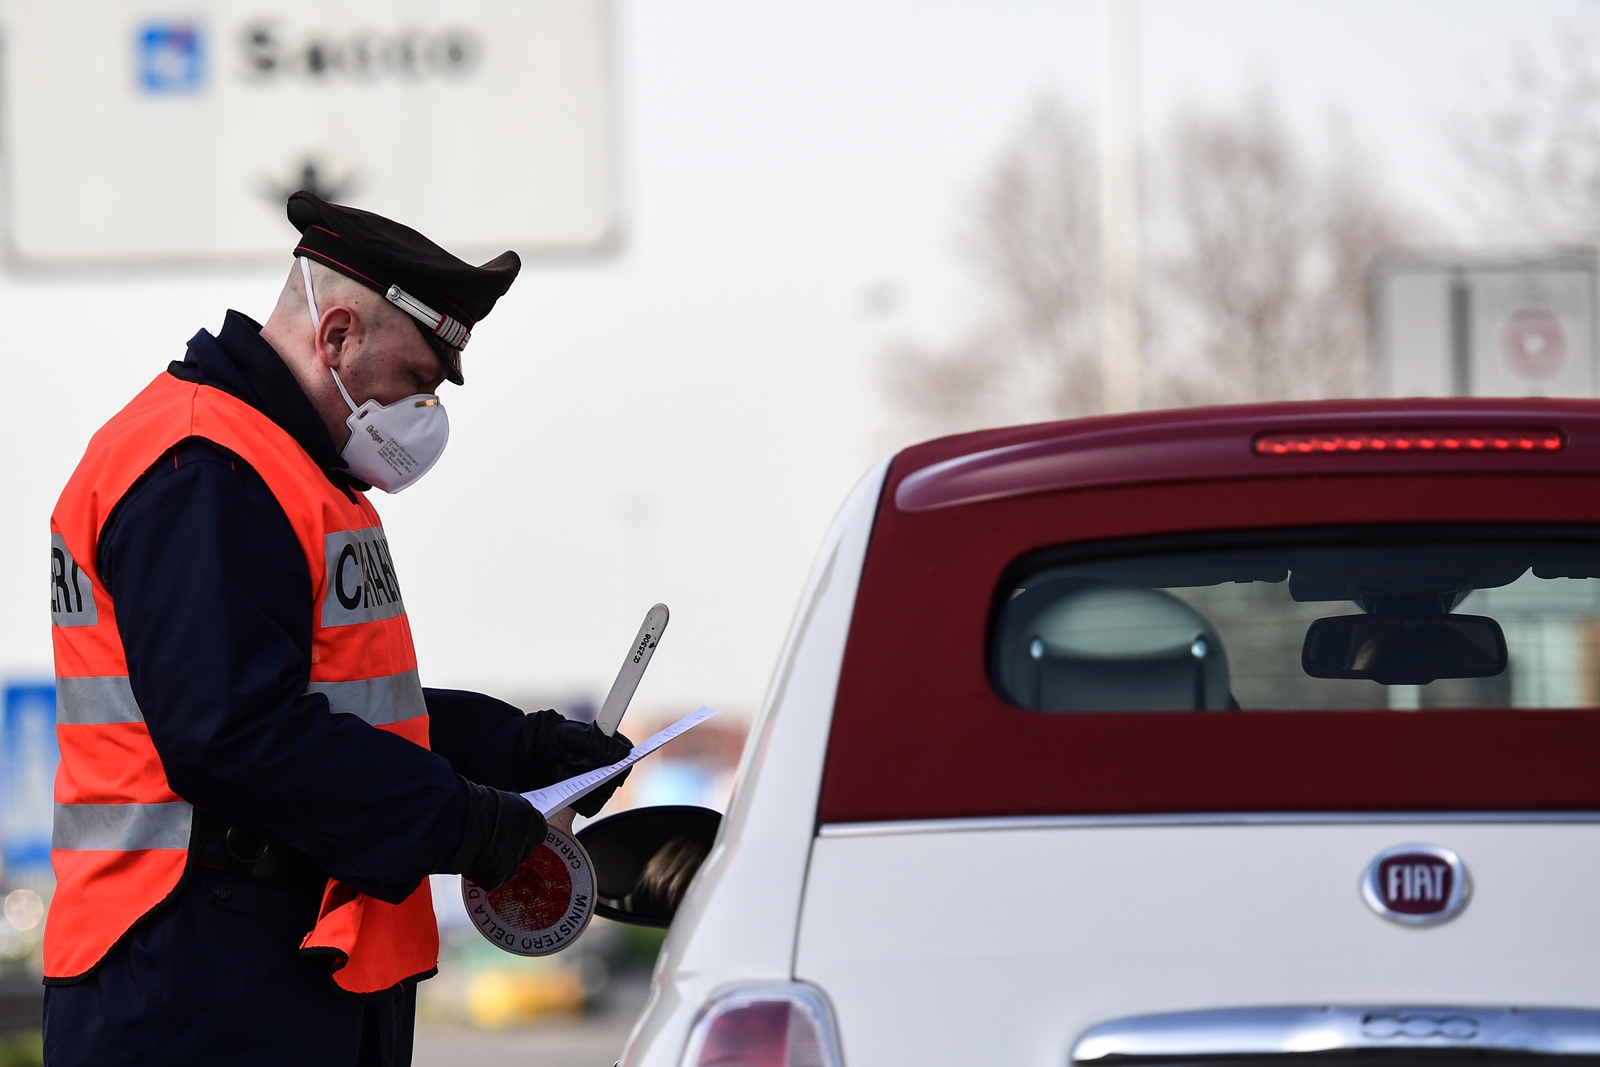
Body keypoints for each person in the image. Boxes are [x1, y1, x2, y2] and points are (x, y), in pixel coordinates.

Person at [42, 192, 633, 1067]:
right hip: (190, 972)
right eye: (417, 383)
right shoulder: (203, 468)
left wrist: (517, 749)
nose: (422, 414)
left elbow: (341, 708)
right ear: (338, 336)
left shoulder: (286, 467)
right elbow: (234, 732)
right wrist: (469, 824)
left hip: (273, 959)